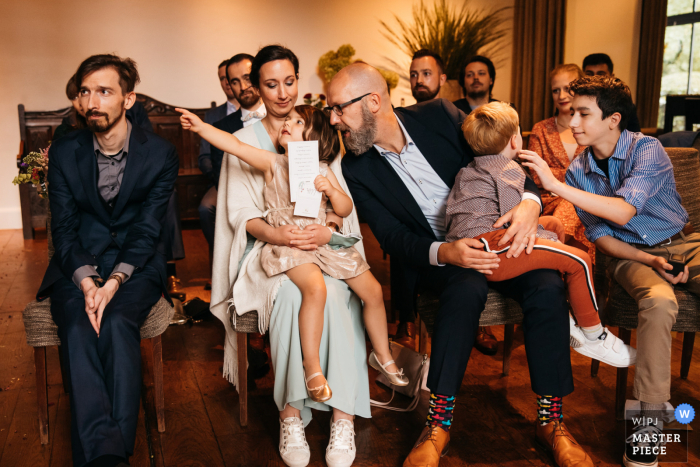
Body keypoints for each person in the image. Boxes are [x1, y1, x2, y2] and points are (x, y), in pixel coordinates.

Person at [331, 62, 592, 467]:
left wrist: (529, 204)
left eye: (338, 109)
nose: (334, 120)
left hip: (505, 234)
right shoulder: (357, 166)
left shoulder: (439, 115)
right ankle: (438, 424)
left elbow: (501, 154)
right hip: (441, 256)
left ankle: (551, 421)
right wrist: (446, 253)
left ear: (372, 102)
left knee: (547, 285)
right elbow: (391, 236)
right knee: (465, 288)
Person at [521, 75, 699, 467]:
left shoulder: (646, 150)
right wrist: (648, 261)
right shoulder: (579, 171)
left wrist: (554, 184)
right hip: (629, 255)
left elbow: (622, 209)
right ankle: (649, 427)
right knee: (658, 302)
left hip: (685, 242)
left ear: (613, 119)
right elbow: (603, 237)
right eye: (572, 113)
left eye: (584, 114)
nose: (574, 123)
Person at [209, 45, 371, 467]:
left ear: (299, 82)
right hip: (270, 249)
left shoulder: (319, 131)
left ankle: (343, 416)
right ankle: (291, 414)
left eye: (289, 82)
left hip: (319, 244)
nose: (282, 93)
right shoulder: (244, 141)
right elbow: (240, 214)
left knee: (340, 295)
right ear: (254, 87)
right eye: (270, 84)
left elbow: (338, 203)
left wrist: (327, 230)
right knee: (290, 299)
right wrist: (277, 232)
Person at [179, 102, 406, 394]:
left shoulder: (324, 170)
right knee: (316, 288)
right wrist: (201, 128)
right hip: (291, 246)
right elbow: (234, 145)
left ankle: (383, 356)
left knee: (373, 290)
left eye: (299, 122)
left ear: (317, 139)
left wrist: (331, 191)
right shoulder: (273, 163)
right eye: (289, 119)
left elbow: (345, 208)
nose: (288, 123)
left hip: (321, 243)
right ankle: (311, 367)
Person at [36, 54, 178, 467]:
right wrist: (86, 283)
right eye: (85, 91)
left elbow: (148, 229)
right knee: (79, 326)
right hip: (76, 264)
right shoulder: (64, 151)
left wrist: (113, 282)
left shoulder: (160, 154)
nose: (92, 100)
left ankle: (101, 456)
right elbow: (62, 229)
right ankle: (110, 457)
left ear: (128, 99)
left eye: (104, 91)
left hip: (136, 267)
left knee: (116, 322)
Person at [447, 101, 635, 367]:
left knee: (553, 225)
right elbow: (519, 223)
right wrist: (550, 243)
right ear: (516, 141)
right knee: (580, 260)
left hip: (472, 246)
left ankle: (569, 314)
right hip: (495, 250)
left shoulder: (470, 169)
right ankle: (594, 335)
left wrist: (550, 235)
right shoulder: (508, 169)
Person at [198, 53, 266, 256]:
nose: (243, 86)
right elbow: (221, 178)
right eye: (235, 82)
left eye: (247, 78)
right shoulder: (220, 127)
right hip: (240, 198)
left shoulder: (283, 118)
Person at [528, 64, 594, 260]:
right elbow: (536, 175)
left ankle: (551, 253)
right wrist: (577, 179)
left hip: (587, 200)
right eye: (556, 90)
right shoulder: (541, 129)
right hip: (549, 200)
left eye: (568, 88)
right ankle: (564, 259)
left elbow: (599, 173)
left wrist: (554, 173)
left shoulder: (593, 127)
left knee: (576, 203)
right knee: (572, 202)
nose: (562, 95)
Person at [582, 53, 641, 132]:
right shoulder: (575, 103)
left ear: (611, 76)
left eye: (600, 74)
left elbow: (634, 135)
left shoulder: (624, 105)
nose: (594, 79)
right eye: (589, 74)